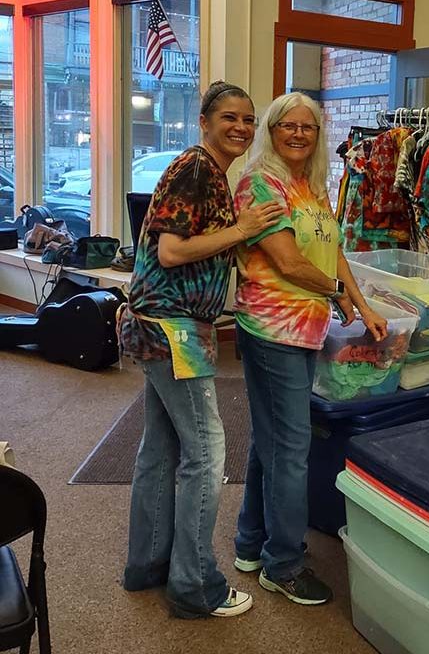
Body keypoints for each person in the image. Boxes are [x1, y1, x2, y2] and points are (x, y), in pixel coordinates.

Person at [119, 80, 283, 619]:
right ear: (205, 121)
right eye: (229, 117)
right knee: (209, 453)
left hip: (162, 327)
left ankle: (148, 567)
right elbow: (170, 251)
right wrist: (240, 231)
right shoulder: (195, 170)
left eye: (248, 119)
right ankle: (195, 586)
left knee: (161, 449)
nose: (240, 127)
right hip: (173, 331)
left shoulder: (210, 172)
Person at [233, 92, 388, 605]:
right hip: (272, 328)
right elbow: (288, 261)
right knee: (292, 450)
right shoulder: (262, 182)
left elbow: (331, 250)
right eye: (288, 126)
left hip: (306, 329)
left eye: (309, 126)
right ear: (271, 131)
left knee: (269, 440)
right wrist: (335, 292)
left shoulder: (311, 185)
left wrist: (361, 305)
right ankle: (284, 563)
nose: (299, 134)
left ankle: (251, 544)